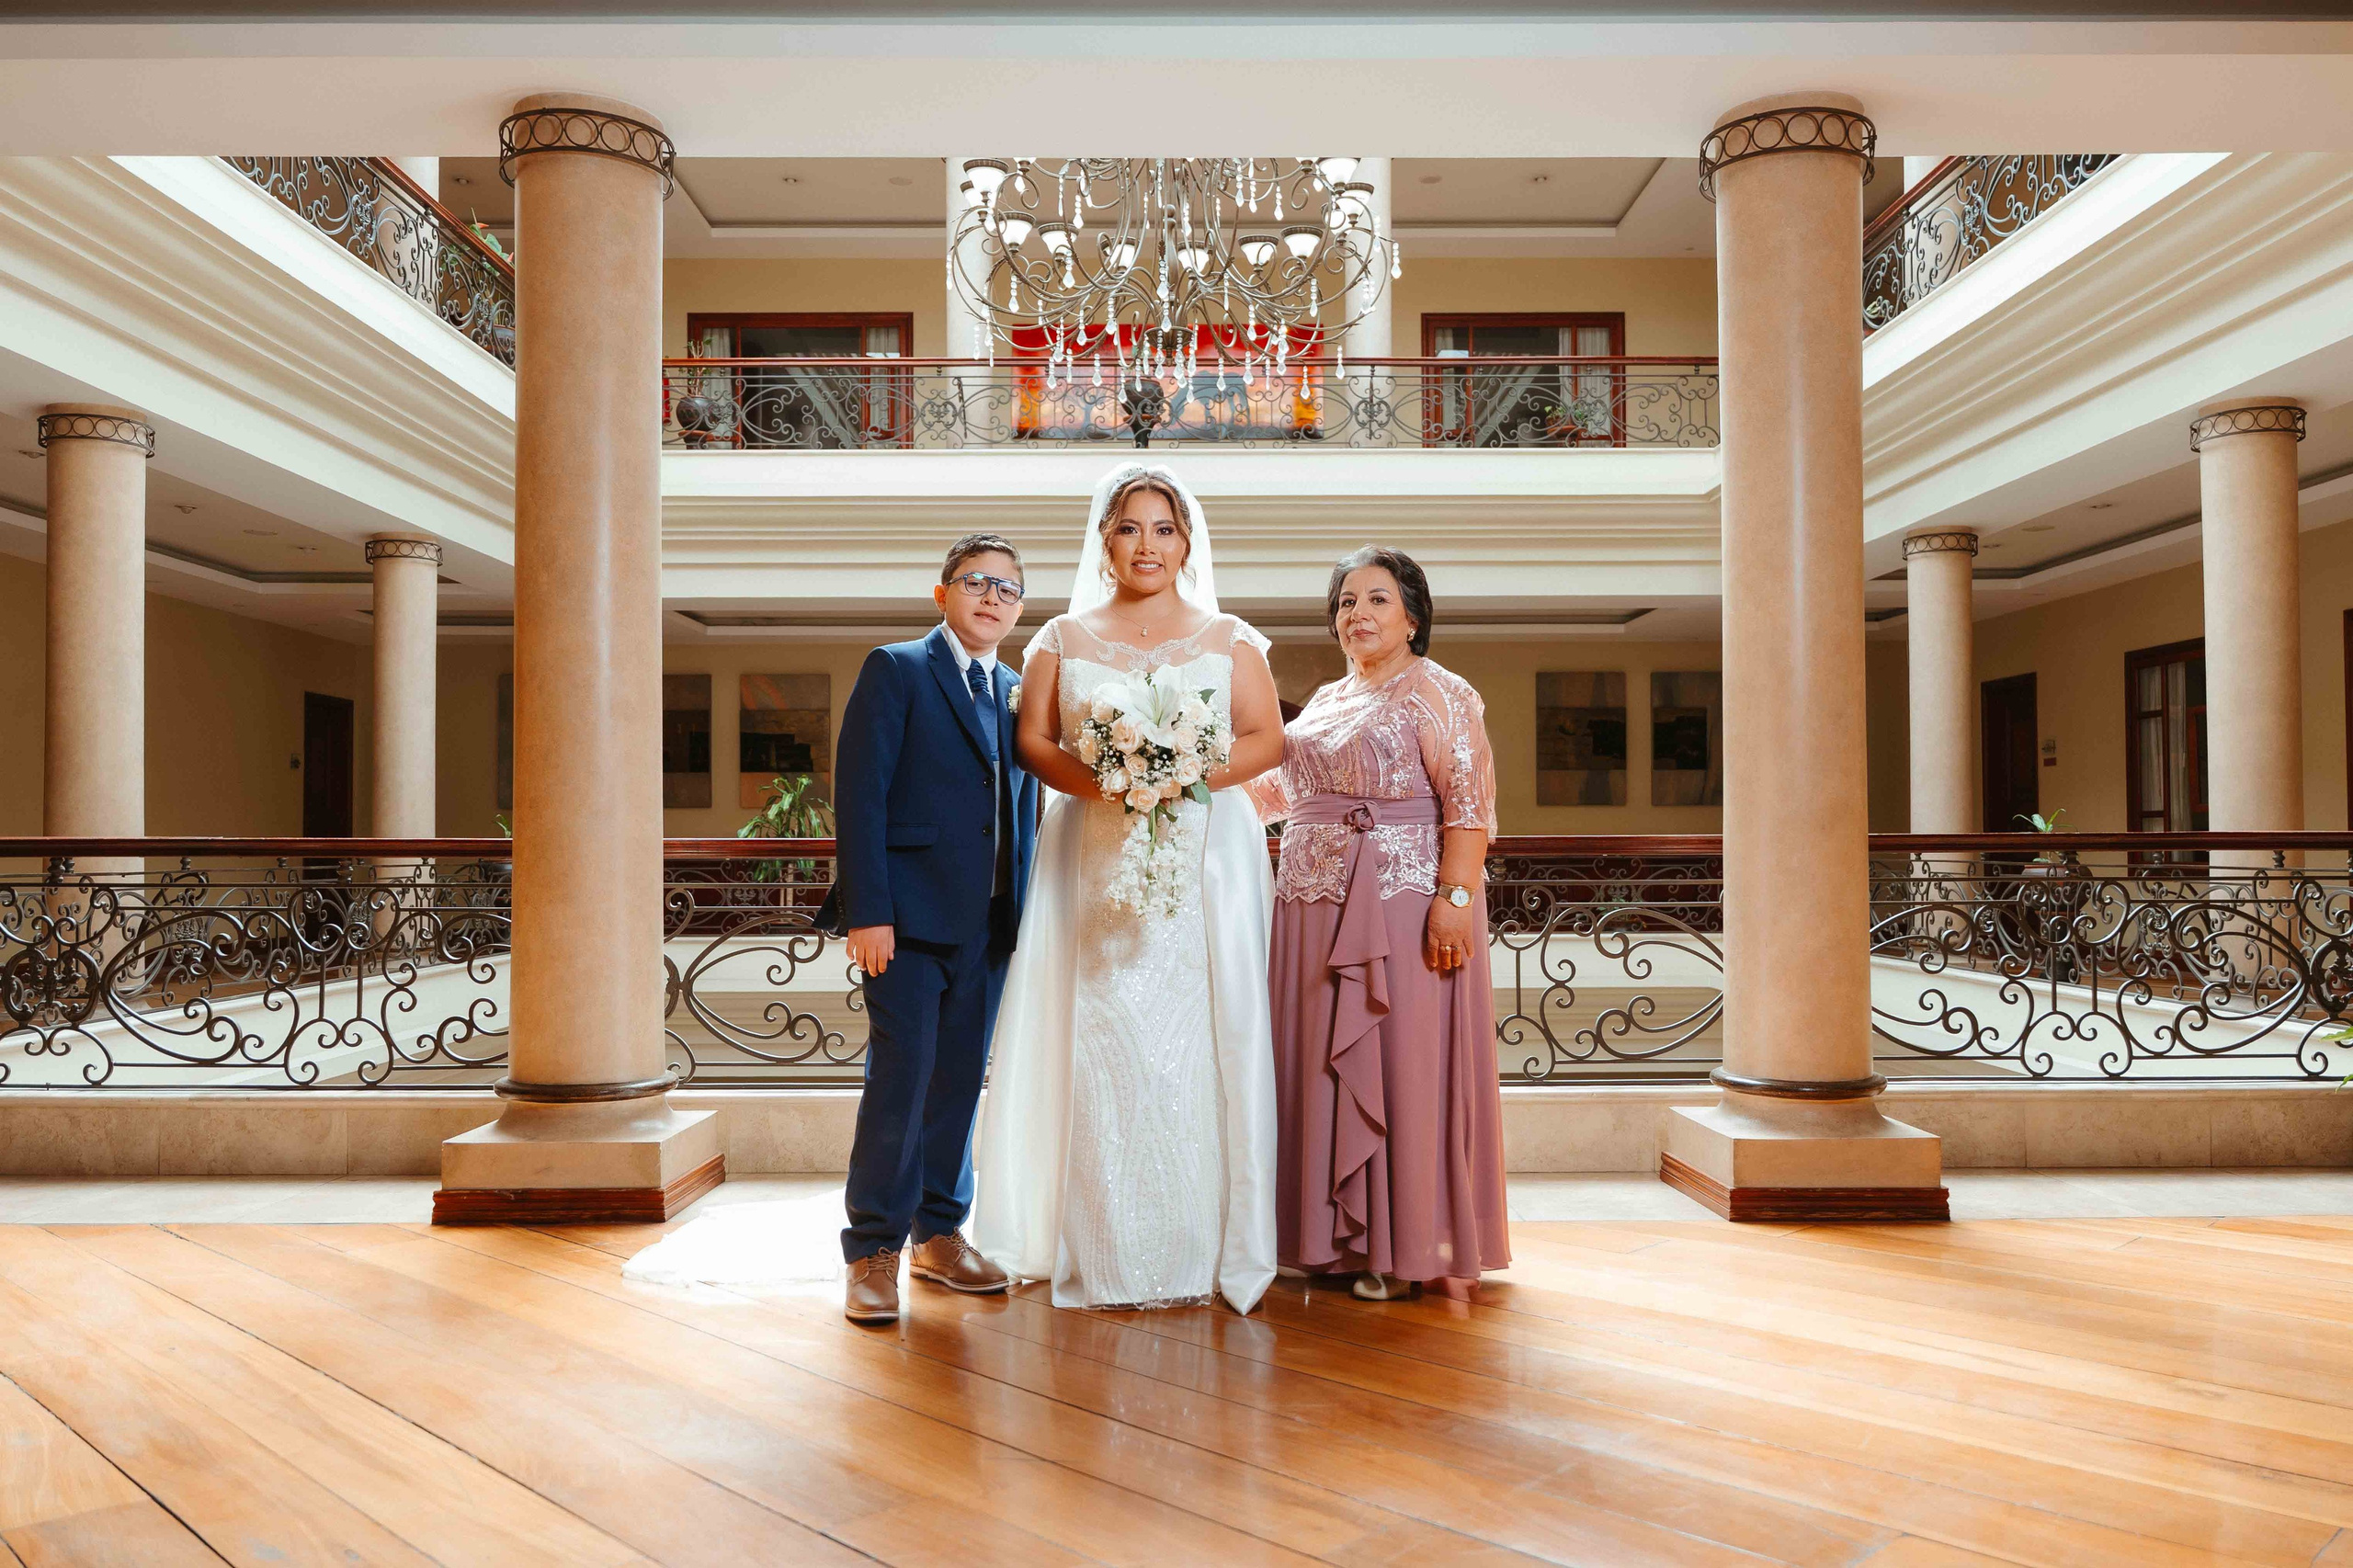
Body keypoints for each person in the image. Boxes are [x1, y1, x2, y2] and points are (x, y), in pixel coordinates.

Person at [971, 463, 1283, 1312]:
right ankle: (1100, 1244)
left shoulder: (1230, 636)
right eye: (1130, 528)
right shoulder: (1061, 638)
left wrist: (1186, 772)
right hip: (1091, 847)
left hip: (1205, 856)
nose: (1147, 545)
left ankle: (1203, 1243)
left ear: (1188, 542)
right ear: (1103, 540)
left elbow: (1267, 739)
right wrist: (1103, 780)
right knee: (1102, 1030)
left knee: (1201, 1033)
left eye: (1164, 529)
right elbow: (1034, 740)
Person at [1247, 545, 1509, 1300]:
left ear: (1413, 617)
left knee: (1398, 1062)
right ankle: (1327, 1243)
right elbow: (1269, 797)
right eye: (1344, 603)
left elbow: (1469, 805)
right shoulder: (1325, 700)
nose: (1355, 615)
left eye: (1376, 601)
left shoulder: (1442, 692)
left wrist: (1455, 900)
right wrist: (1174, 784)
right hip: (1306, 906)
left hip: (1400, 903)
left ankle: (1399, 1248)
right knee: (1313, 1065)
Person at [825, 532, 1040, 1324]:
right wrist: (869, 911)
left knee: (959, 1085)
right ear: (942, 592)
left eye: (1008, 589)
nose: (992, 597)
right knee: (900, 1082)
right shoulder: (897, 669)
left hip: (987, 924)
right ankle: (872, 1247)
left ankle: (940, 1236)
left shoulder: (1017, 687)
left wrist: (1020, 913)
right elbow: (862, 796)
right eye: (977, 582)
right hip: (907, 924)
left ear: (1019, 608)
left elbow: (1023, 804)